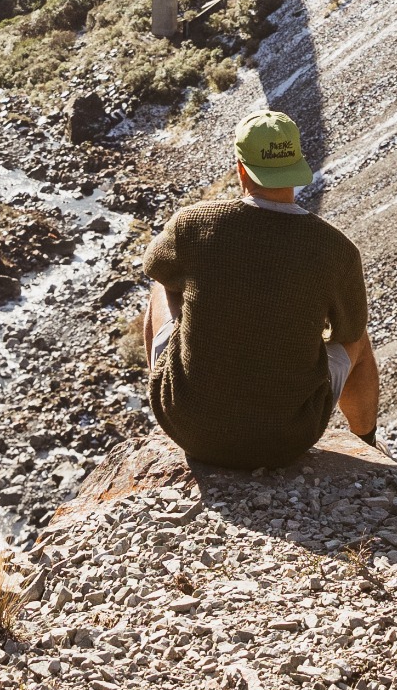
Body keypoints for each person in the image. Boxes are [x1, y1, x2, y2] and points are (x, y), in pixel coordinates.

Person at [141, 111, 378, 468]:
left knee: (163, 286)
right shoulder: (335, 249)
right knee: (360, 339)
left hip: (190, 430)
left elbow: (155, 266)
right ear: (297, 166)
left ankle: (176, 395)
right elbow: (349, 329)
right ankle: (368, 442)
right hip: (288, 440)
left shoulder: (194, 224)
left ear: (241, 168)